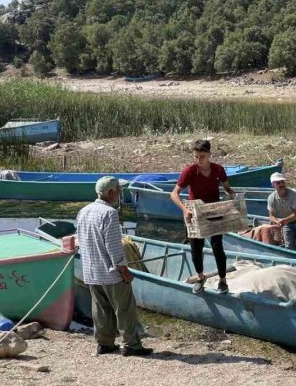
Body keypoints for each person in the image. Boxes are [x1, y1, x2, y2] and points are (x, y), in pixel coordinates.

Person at [76, 176, 153, 356]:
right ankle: (132, 345)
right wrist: (123, 269)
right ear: (110, 193)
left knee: (100, 309)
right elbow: (113, 245)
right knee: (124, 309)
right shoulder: (109, 213)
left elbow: (81, 240)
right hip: (110, 272)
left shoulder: (84, 211)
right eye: (118, 190)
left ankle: (104, 343)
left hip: (91, 271)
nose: (119, 194)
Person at [171, 139, 236, 294]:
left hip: (214, 211)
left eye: (202, 156)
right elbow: (174, 194)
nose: (198, 160)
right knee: (196, 249)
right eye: (196, 157)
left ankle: (222, 280)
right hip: (194, 213)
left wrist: (234, 196)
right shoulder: (189, 171)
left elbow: (227, 188)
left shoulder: (218, 169)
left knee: (217, 247)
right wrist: (185, 210)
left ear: (209, 155)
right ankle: (200, 277)